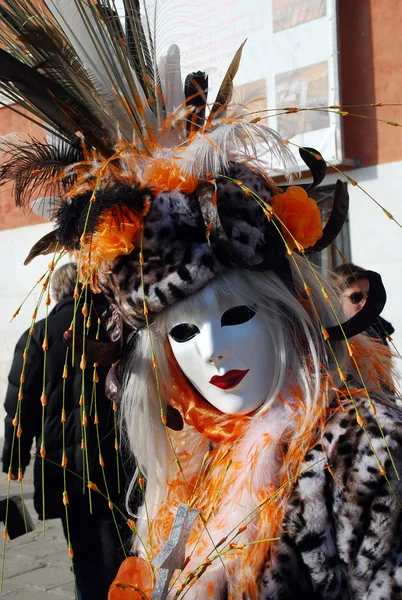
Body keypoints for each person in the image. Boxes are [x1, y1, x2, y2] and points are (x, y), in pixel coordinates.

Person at [0, 3, 401, 598]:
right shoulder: (197, 455)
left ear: (282, 314)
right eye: (183, 334)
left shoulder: (361, 448)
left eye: (236, 316)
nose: (212, 352)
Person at [2, 263, 128, 600]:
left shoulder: (38, 335)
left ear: (55, 295)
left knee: (84, 558)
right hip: (114, 462)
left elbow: (19, 403)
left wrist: (14, 458)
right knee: (122, 551)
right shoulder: (113, 329)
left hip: (65, 470)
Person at [334, 262, 395, 344]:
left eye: (371, 296)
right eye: (357, 297)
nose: (366, 302)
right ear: (336, 298)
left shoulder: (380, 332)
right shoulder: (323, 333)